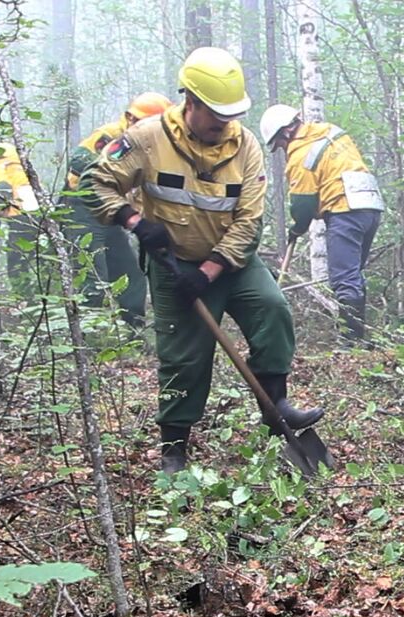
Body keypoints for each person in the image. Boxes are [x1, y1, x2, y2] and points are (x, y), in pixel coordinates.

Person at [82, 47, 323, 473]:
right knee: (185, 356)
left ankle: (277, 408)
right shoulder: (147, 138)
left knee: (272, 308)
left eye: (230, 115)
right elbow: (95, 183)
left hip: (232, 262)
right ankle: (174, 448)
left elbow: (249, 220)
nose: (223, 123)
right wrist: (135, 222)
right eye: (215, 114)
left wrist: (210, 271)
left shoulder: (245, 146)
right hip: (173, 264)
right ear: (190, 101)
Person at [259, 103, 383, 342]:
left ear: (285, 132)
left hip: (345, 211)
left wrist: (297, 228)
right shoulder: (330, 131)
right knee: (353, 274)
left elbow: (302, 204)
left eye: (280, 144)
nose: (283, 149)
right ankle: (357, 338)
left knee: (344, 279)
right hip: (371, 209)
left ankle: (351, 342)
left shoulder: (301, 154)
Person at [64, 92, 174, 326]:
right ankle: (89, 334)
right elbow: (79, 158)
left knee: (130, 273)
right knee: (93, 272)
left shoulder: (154, 145)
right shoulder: (112, 135)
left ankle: (134, 328)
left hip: (111, 211)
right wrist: (110, 170)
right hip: (82, 206)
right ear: (132, 119)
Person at [0, 142, 41, 297]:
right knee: (40, 257)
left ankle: (25, 297)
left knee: (16, 261)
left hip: (19, 215)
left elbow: (1, 187)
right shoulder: (22, 166)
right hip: (39, 214)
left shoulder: (1, 165)